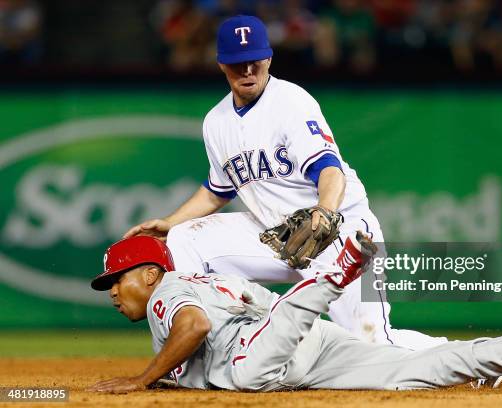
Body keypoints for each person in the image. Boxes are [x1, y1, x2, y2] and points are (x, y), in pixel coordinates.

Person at [123, 14, 446, 350]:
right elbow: (217, 190)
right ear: (221, 64)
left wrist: (325, 211)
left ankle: (465, 360)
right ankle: (203, 351)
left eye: (254, 62)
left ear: (268, 59)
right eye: (237, 64)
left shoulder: (291, 102)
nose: (247, 71)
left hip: (340, 233)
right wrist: (171, 221)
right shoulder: (215, 122)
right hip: (273, 237)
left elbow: (330, 170)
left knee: (371, 342)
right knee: (184, 238)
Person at [88, 235, 502, 393]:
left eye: (117, 279)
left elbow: (193, 326)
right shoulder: (200, 282)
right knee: (407, 373)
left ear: (150, 274)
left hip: (258, 354)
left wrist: (141, 379)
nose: (112, 291)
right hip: (302, 346)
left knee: (245, 369)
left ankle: (339, 269)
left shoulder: (167, 292)